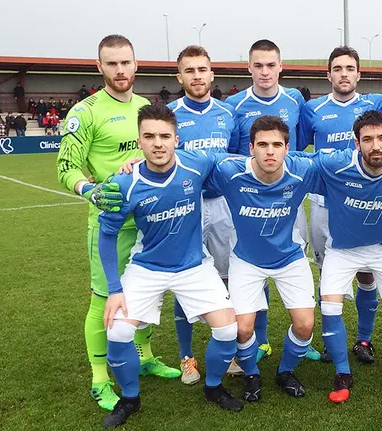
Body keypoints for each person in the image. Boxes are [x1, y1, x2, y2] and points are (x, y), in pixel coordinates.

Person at [98, 104, 243, 428]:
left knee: (228, 329)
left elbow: (238, 162)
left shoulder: (197, 164)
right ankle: (130, 399)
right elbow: (106, 237)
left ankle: (213, 387)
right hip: (147, 267)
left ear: (177, 139)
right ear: (139, 141)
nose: (158, 143)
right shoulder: (124, 184)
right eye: (149, 136)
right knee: (119, 330)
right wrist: (114, 290)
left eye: (165, 136)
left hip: (194, 265)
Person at [56, 34, 180, 412]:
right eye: (112, 63)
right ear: (100, 67)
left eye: (125, 62)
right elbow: (65, 166)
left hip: (149, 222)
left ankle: (143, 355)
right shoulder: (86, 111)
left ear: (136, 64)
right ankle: (99, 378)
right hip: (110, 223)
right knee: (103, 300)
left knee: (146, 294)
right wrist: (88, 189)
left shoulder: (147, 107)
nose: (120, 70)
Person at [300, 111, 382, 403]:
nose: (376, 146)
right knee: (330, 308)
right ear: (356, 144)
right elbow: (294, 160)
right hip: (343, 250)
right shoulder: (335, 165)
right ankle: (343, 372)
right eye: (368, 139)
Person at [206, 116, 321, 401]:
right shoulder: (230, 172)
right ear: (251, 148)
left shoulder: (301, 170)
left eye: (276, 145)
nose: (270, 151)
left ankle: (285, 371)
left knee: (305, 325)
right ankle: (252, 373)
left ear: (287, 148)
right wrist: (137, 163)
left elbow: (342, 159)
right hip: (247, 259)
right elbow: (190, 159)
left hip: (289, 257)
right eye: (263, 145)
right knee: (242, 329)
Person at [298, 46, 382, 364]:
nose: (344, 73)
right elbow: (297, 150)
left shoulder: (376, 104)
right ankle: (330, 339)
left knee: (365, 273)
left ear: (359, 74)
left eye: (350, 68)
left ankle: (364, 340)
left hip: (364, 204)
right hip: (324, 204)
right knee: (327, 275)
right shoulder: (312, 109)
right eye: (337, 68)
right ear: (329, 75)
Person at [225, 39, 311, 363]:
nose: (264, 71)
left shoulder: (295, 100)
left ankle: (302, 336)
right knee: (252, 259)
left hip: (287, 193)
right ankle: (259, 339)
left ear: (280, 66)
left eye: (270, 65)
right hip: (248, 196)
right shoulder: (235, 104)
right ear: (249, 67)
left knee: (288, 250)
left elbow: (299, 147)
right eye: (258, 65)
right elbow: (232, 154)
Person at [166, 45, 240, 385]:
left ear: (212, 74)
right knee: (185, 279)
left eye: (202, 69)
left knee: (228, 278)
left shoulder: (227, 114)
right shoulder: (169, 114)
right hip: (185, 208)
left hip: (223, 206)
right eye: (190, 71)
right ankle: (187, 358)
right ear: (179, 77)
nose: (197, 76)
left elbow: (237, 160)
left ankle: (230, 353)